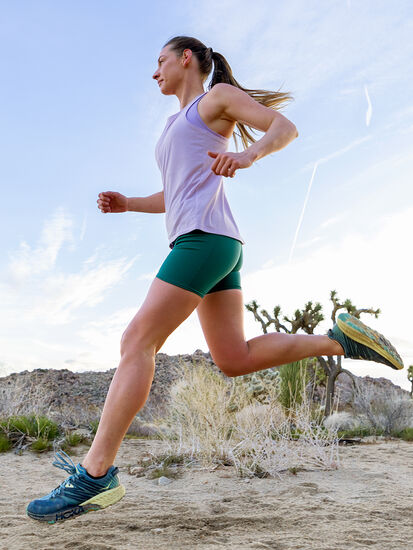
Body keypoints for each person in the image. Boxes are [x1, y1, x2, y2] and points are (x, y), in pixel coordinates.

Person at [26, 35, 404, 524]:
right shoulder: (173, 123)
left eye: (159, 60)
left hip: (203, 241)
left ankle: (95, 474)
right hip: (216, 243)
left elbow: (284, 127)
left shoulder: (216, 100)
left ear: (187, 58)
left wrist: (247, 157)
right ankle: (338, 341)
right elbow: (177, 191)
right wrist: (130, 204)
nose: (154, 71)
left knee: (136, 340)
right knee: (234, 358)